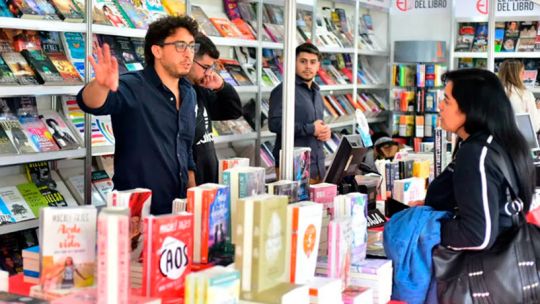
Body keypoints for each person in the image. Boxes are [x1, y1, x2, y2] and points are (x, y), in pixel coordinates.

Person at [76, 16, 199, 215]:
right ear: (157, 50)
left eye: (192, 46)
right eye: (180, 46)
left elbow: (186, 149)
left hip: (177, 208)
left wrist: (193, 197)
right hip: (136, 212)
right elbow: (89, 103)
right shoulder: (132, 85)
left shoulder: (189, 93)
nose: (189, 54)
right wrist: (100, 85)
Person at [425, 68, 535, 249]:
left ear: (470, 108)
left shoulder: (477, 153)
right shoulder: (501, 142)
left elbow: (478, 235)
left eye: (447, 100)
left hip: (481, 268)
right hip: (506, 260)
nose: (440, 106)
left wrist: (425, 228)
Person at [268, 43, 330, 183]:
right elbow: (274, 124)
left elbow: (316, 124)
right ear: (294, 63)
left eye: (313, 62)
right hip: (293, 168)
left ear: (318, 66)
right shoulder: (284, 90)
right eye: (303, 61)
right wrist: (311, 129)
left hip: (317, 165)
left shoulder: (317, 92)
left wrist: (324, 131)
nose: (308, 66)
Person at [186, 33, 242, 185]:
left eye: (211, 67)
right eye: (205, 67)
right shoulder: (177, 93)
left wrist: (221, 87)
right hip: (190, 181)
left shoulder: (201, 88)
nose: (208, 73)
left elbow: (233, 111)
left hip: (209, 176)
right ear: (189, 59)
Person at [498, 59, 540, 132]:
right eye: (522, 72)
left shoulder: (494, 92)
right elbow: (534, 126)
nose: (524, 75)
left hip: (496, 140)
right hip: (519, 140)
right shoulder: (526, 95)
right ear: (515, 75)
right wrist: (538, 110)